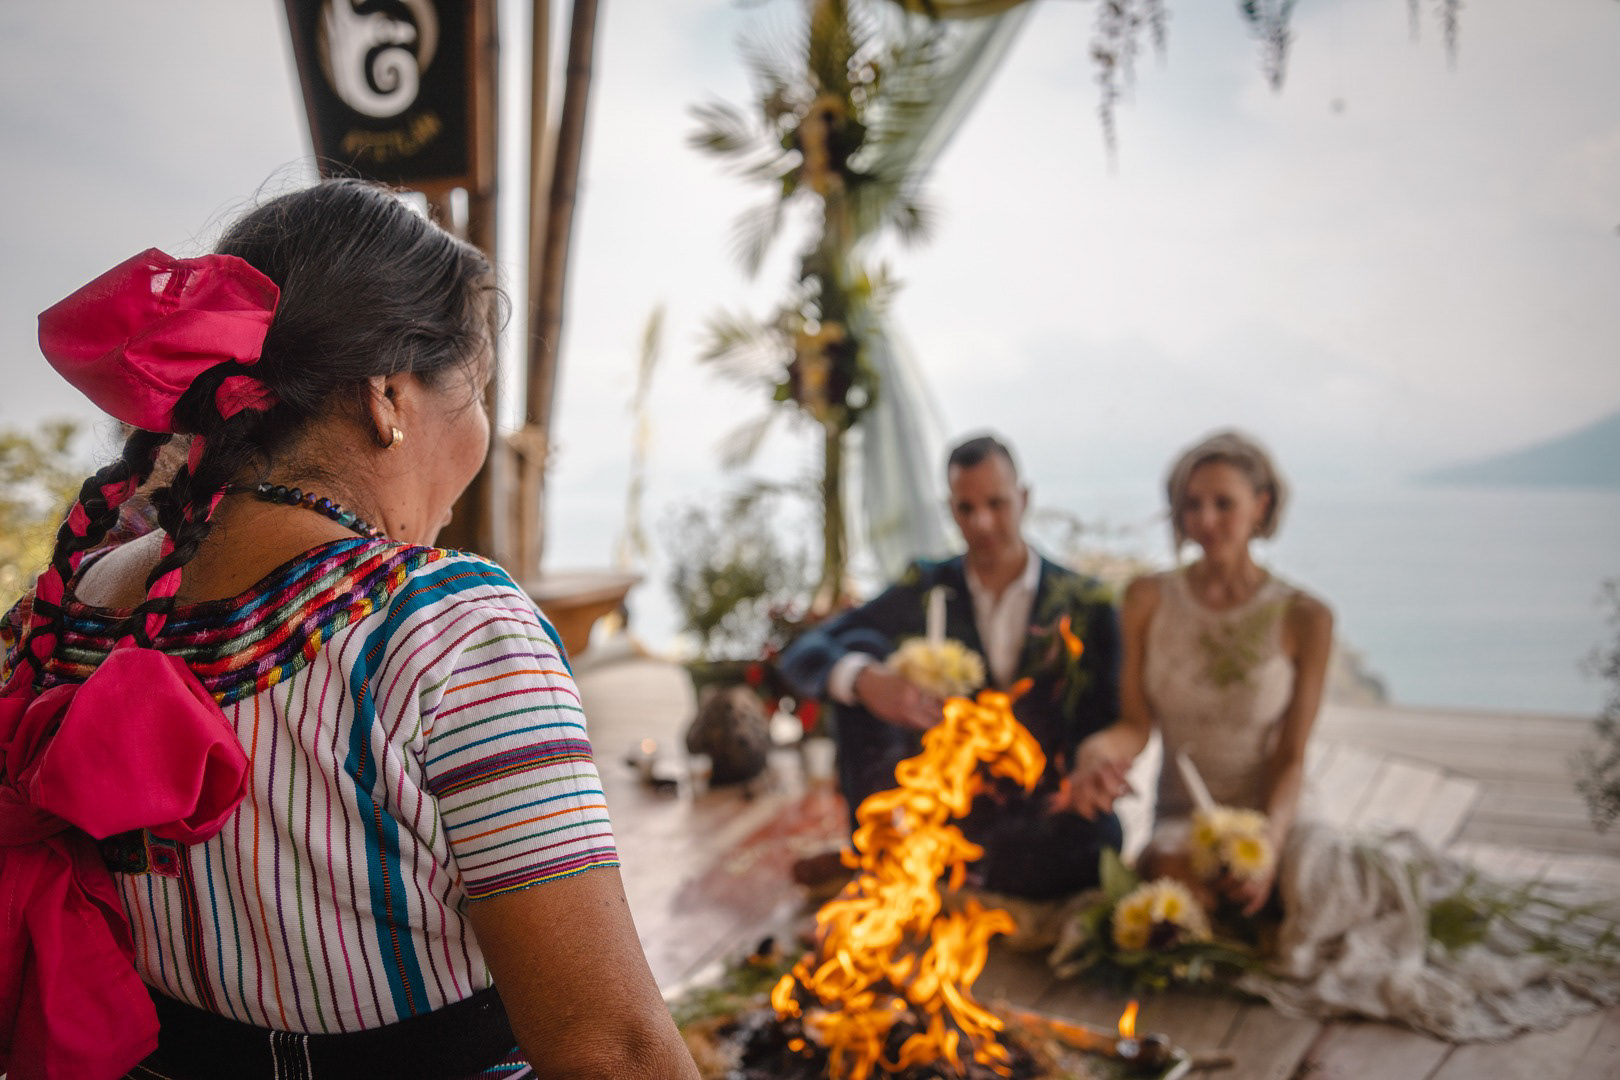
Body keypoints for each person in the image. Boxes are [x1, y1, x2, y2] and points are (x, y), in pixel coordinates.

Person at [0, 180, 698, 1080]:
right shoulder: (442, 629)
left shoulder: (69, 609)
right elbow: (616, 1050)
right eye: (477, 390)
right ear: (388, 396)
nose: (482, 432)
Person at [778, 435, 1123, 900]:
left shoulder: (1084, 603)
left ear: (1024, 499)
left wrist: (1093, 772)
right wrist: (864, 680)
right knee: (859, 651)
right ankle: (889, 858)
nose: (982, 523)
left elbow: (1110, 720)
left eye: (997, 504)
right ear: (951, 509)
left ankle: (932, 874)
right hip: (941, 801)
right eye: (966, 508)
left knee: (1099, 842)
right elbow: (804, 652)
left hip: (1038, 807)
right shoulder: (926, 587)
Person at [1060, 429, 1333, 915]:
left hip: (1274, 816)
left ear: (1261, 506)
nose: (1205, 520)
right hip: (1183, 815)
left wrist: (1268, 842)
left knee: (1311, 900)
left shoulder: (1305, 617)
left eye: (1223, 504)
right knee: (1180, 894)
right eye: (1192, 504)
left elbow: (1292, 756)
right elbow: (1135, 725)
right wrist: (1095, 754)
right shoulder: (1147, 599)